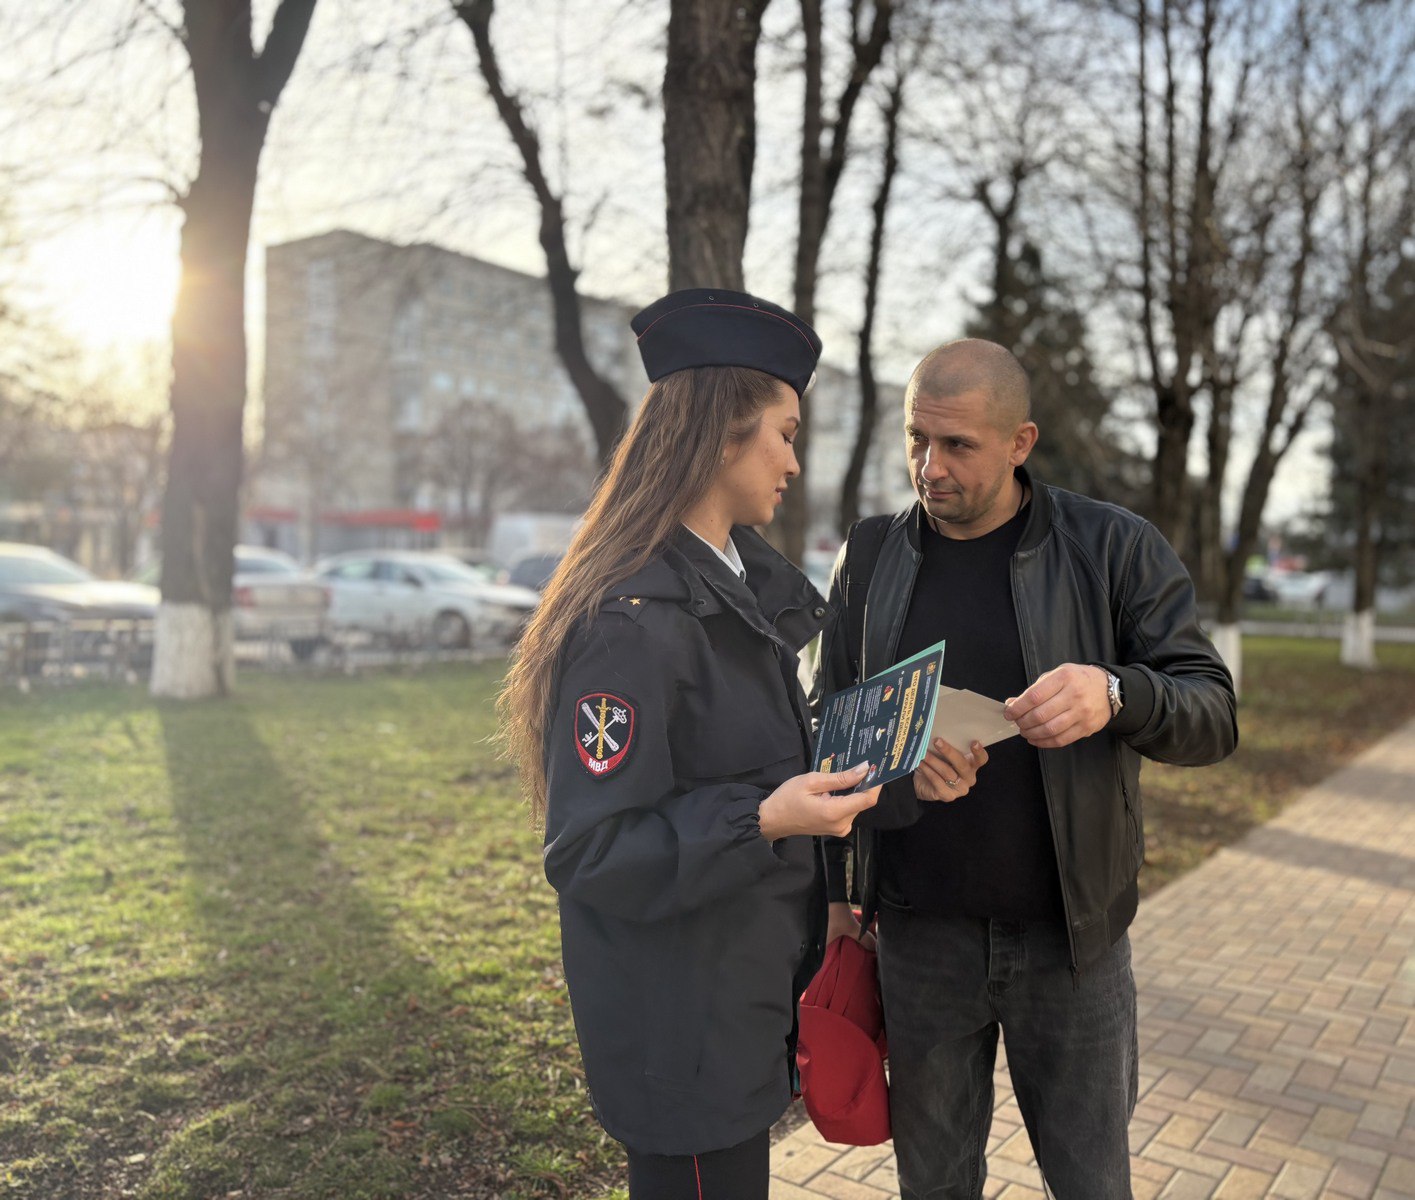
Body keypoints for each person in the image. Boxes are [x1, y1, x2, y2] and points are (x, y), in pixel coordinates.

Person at [813, 338, 1238, 1199]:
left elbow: (1212, 713)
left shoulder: (1112, 547)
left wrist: (1117, 695)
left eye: (957, 445)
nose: (929, 468)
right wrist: (893, 780)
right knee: (934, 1186)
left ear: (1020, 442)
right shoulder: (869, 556)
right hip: (918, 936)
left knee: (1089, 1184)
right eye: (914, 440)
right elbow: (823, 720)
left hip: (1071, 944)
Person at [499, 288, 880, 1200]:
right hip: (682, 1029)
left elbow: (734, 763)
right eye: (783, 433)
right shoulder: (632, 622)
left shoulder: (740, 594)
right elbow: (593, 850)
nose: (794, 459)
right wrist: (760, 819)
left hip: (734, 1004)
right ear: (720, 433)